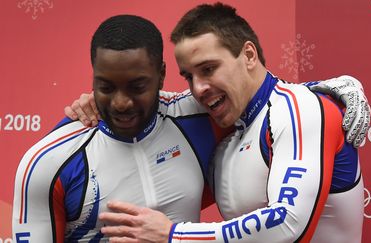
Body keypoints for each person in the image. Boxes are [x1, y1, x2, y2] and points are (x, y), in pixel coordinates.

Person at [90, 3, 365, 243]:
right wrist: (92, 103)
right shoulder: (230, 127)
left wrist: (174, 236)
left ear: (248, 55)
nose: (198, 88)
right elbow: (154, 102)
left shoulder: (301, 109)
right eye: (188, 76)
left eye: (208, 69)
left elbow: (289, 223)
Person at [12, 15, 228, 242]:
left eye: (137, 87)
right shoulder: (50, 161)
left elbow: (259, 88)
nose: (120, 103)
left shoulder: (204, 115)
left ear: (161, 75)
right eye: (106, 87)